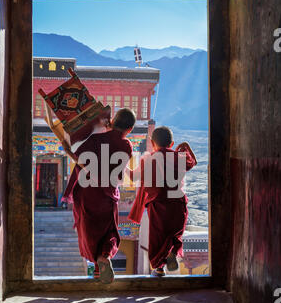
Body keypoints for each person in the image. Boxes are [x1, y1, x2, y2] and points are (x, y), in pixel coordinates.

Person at [62, 108, 135, 284]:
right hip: (108, 195)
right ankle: (104, 257)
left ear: (112, 121)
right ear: (130, 130)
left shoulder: (94, 139)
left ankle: (98, 266)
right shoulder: (126, 146)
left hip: (88, 195)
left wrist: (67, 151)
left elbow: (81, 162)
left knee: (90, 232)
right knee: (109, 231)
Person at [127, 126, 197, 277]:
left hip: (159, 205)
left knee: (158, 238)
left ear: (152, 143)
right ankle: (172, 252)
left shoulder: (148, 159)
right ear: (171, 144)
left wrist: (124, 166)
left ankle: (159, 268)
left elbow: (133, 177)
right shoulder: (179, 157)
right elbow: (192, 162)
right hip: (179, 204)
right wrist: (184, 146)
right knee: (175, 234)